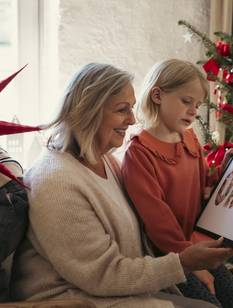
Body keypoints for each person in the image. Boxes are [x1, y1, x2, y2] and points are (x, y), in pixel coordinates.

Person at [10, 63, 233, 308]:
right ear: (89, 111)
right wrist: (183, 263)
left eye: (132, 108)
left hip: (117, 289)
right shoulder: (56, 183)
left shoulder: (105, 161)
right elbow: (102, 275)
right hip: (73, 300)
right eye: (122, 110)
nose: (132, 119)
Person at [121, 59, 233, 307]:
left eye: (198, 105)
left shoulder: (189, 137)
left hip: (196, 245)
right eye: (186, 101)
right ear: (158, 95)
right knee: (209, 300)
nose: (194, 111)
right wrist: (191, 262)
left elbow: (204, 183)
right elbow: (158, 221)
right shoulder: (139, 152)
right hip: (167, 257)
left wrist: (224, 172)